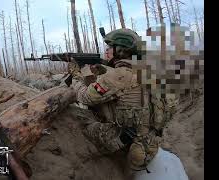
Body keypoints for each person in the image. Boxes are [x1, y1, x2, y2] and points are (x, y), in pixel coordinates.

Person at [70, 28, 173, 179]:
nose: (106, 51)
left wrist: (76, 77)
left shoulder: (119, 75)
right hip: (149, 140)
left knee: (80, 123)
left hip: (128, 141)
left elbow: (85, 96)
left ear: (121, 50)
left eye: (110, 48)